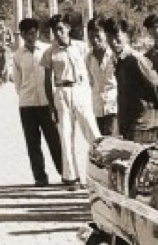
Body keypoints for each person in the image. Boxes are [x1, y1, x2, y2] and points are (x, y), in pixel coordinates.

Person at [42, 14, 100, 188]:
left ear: (68, 28)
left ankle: (100, 172)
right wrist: (51, 105)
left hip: (80, 90)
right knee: (66, 136)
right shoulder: (50, 52)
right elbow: (47, 81)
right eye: (55, 30)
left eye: (61, 29)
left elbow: (91, 69)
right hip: (62, 92)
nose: (58, 33)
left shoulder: (81, 47)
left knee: (92, 132)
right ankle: (71, 177)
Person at [13, 18, 63, 186]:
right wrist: (24, 95)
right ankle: (40, 177)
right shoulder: (18, 56)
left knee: (54, 140)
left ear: (37, 32)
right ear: (22, 35)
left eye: (33, 33)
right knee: (33, 143)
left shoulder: (47, 50)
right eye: (27, 34)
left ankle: (65, 173)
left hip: (47, 103)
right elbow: (18, 82)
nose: (31, 37)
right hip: (27, 104)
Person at [102, 19, 158, 143]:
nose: (113, 41)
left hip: (143, 126)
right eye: (109, 37)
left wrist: (157, 113)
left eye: (117, 36)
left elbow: (157, 86)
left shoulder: (136, 59)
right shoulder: (118, 60)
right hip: (129, 125)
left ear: (125, 36)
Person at [86, 19, 117, 136]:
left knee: (113, 142)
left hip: (114, 107)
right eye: (91, 37)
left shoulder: (114, 55)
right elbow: (90, 82)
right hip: (97, 108)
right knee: (100, 142)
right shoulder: (88, 57)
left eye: (98, 36)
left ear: (105, 35)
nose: (94, 40)